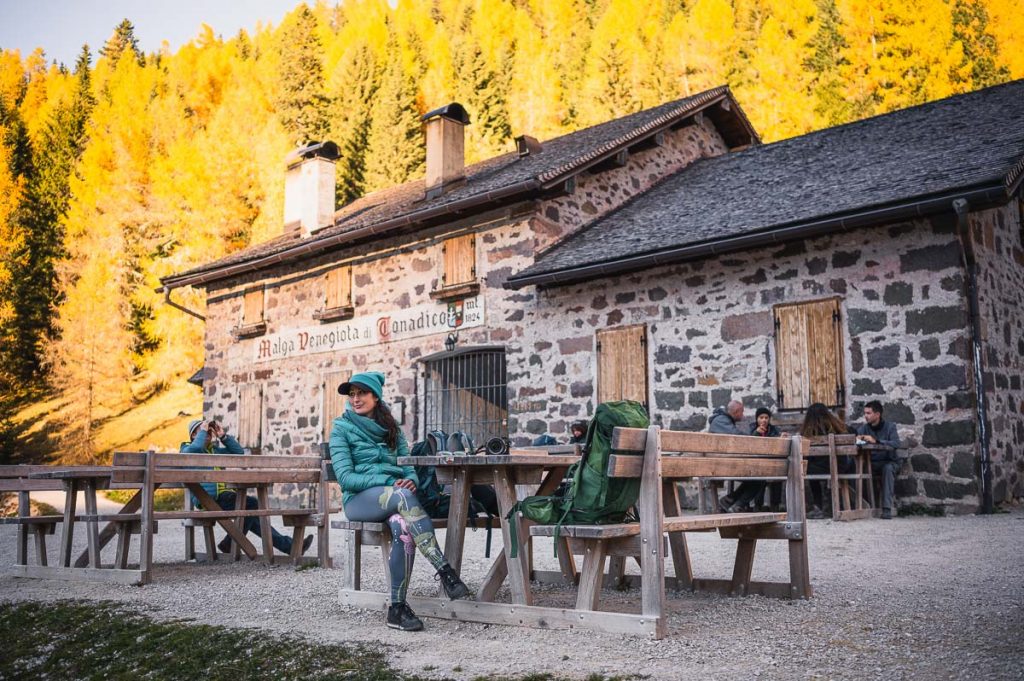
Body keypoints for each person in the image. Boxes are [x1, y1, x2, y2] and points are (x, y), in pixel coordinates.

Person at [329, 371, 471, 632]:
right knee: (402, 496)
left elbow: (408, 469)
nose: (355, 399)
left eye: (361, 393)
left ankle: (397, 609)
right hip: (360, 501)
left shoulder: (391, 428)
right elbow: (346, 478)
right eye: (352, 394)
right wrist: (391, 483)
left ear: (376, 396)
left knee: (403, 528)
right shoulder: (341, 429)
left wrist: (411, 482)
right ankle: (445, 571)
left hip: (395, 499)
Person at [180, 419, 312, 557]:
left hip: (223, 497)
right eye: (202, 431)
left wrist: (223, 436)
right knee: (252, 505)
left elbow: (238, 453)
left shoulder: (214, 451)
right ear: (193, 435)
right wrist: (203, 429)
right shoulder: (186, 449)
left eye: (208, 432)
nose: (207, 434)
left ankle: (289, 547)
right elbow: (194, 450)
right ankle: (231, 542)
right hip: (207, 499)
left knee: (253, 515)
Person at [709, 400, 765, 513]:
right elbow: (738, 438)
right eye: (742, 412)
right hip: (719, 466)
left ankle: (729, 501)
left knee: (758, 477)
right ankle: (737, 504)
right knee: (759, 477)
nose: (743, 415)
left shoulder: (724, 421)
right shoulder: (721, 421)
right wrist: (755, 435)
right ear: (736, 411)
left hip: (723, 463)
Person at [799, 403, 853, 519]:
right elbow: (852, 433)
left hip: (818, 469)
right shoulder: (836, 427)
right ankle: (833, 507)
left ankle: (818, 507)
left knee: (806, 468)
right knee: (816, 468)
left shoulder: (808, 433)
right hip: (840, 467)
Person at [856, 400, 901, 520]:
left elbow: (896, 443)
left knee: (888, 469)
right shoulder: (863, 429)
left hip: (889, 462)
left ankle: (886, 509)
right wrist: (858, 440)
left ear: (877, 414)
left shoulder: (890, 427)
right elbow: (856, 442)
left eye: (869, 413)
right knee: (852, 467)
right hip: (872, 463)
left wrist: (876, 441)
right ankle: (857, 507)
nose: (866, 416)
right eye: (865, 413)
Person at [749, 408, 784, 511]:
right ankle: (758, 505)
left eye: (766, 418)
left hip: (771, 462)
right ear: (757, 419)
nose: (764, 420)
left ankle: (775, 505)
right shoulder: (752, 428)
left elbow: (776, 441)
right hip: (757, 463)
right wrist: (756, 433)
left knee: (777, 476)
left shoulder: (773, 429)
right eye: (761, 418)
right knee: (760, 478)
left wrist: (781, 438)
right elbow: (748, 442)